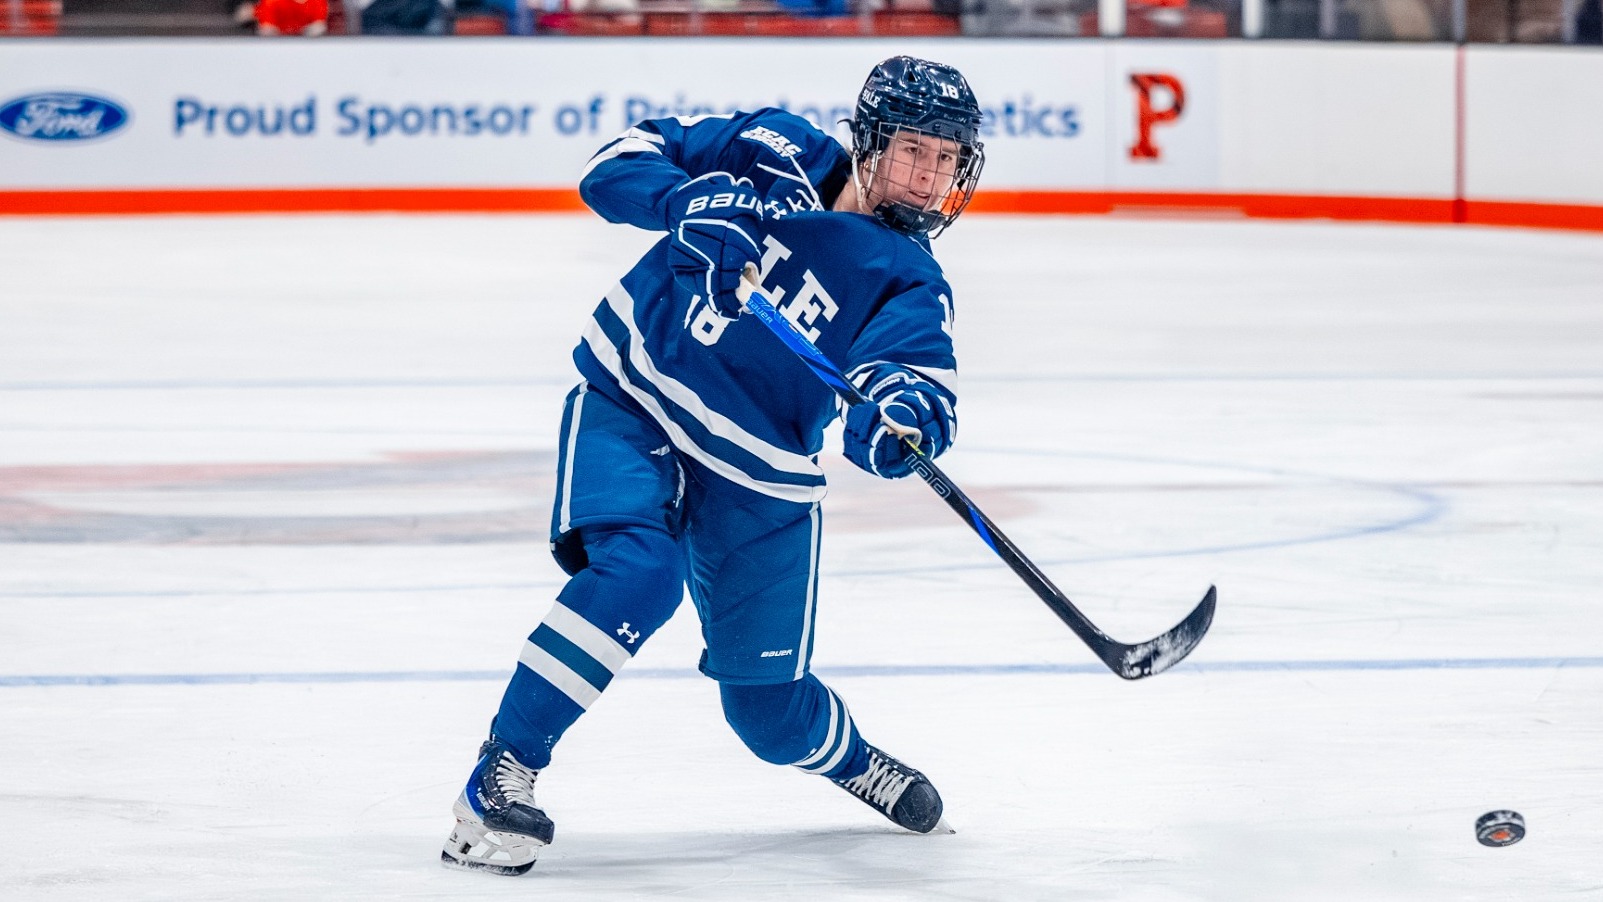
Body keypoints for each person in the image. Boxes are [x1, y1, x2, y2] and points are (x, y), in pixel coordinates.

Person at [440, 57, 986, 875]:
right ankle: (499, 777)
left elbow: (914, 374)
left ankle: (851, 760)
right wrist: (681, 199)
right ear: (867, 143)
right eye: (913, 152)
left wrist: (901, 417)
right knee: (638, 571)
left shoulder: (909, 277)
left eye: (945, 161)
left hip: (760, 475)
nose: (926, 179)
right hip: (638, 398)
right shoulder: (772, 148)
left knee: (769, 718)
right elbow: (611, 166)